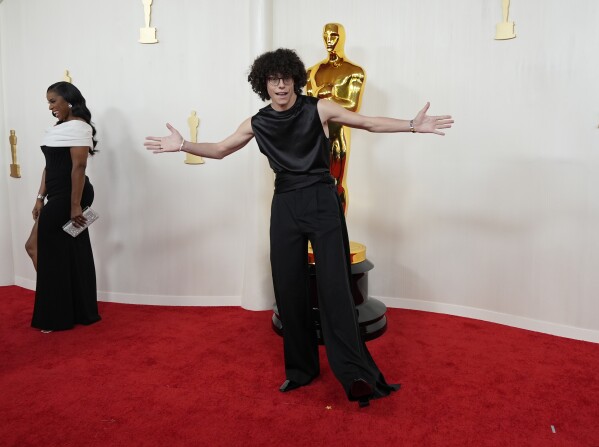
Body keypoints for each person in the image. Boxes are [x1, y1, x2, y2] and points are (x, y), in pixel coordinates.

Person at [144, 48, 453, 406]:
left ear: (295, 79)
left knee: (335, 288)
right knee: (289, 287)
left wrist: (413, 125)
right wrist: (182, 144)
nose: (280, 85)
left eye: (286, 78)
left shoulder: (318, 108)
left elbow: (367, 122)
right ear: (264, 84)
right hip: (286, 204)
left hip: (322, 200)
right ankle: (301, 372)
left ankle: (355, 374)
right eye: (273, 79)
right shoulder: (256, 122)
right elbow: (220, 148)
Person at [27, 82, 101, 333]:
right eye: (48, 102)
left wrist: (75, 206)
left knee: (39, 248)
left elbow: (79, 168)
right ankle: (71, 307)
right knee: (63, 251)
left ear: (68, 100)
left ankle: (54, 313)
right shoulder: (61, 128)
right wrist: (39, 197)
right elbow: (50, 166)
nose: (50, 107)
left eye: (52, 101)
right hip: (57, 195)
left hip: (72, 197)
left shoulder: (80, 127)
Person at [306, 22, 365, 213]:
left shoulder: (354, 71)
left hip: (338, 134)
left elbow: (353, 106)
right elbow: (306, 106)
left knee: (337, 183)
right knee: (311, 183)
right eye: (326, 36)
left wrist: (329, 96)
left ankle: (339, 234)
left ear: (342, 38)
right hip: (313, 135)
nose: (329, 41)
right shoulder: (312, 71)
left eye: (334, 36)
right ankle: (317, 235)